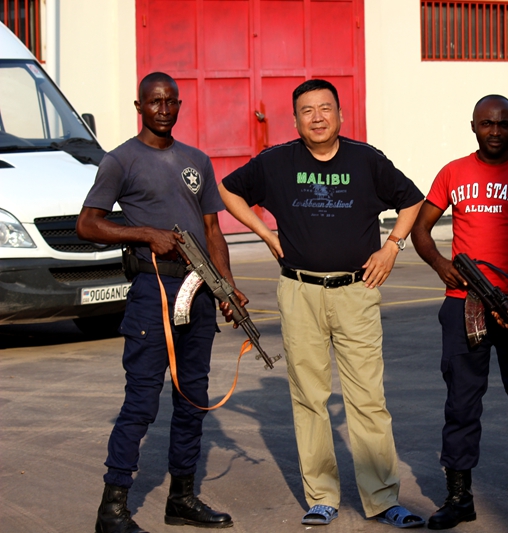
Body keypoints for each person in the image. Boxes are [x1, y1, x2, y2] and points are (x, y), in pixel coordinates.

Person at [218, 79, 425, 528]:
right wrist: (265, 233)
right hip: (300, 293)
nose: (317, 117)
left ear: (340, 115)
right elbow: (228, 190)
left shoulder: (366, 160)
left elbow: (412, 200)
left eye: (325, 108)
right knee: (310, 398)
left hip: (356, 292)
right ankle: (322, 497)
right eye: (307, 111)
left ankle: (382, 499)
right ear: (295, 121)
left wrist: (392, 247)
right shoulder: (276, 162)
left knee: (368, 398)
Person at [77, 72, 243, 533]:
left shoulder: (196, 160)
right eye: (155, 102)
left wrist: (227, 287)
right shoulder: (120, 161)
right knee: (141, 402)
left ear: (179, 105)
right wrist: (145, 234)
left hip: (199, 291)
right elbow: (87, 224)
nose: (164, 109)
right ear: (140, 107)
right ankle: (112, 509)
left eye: (171, 101)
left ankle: (181, 499)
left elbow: (212, 230)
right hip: (153, 291)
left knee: (193, 400)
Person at [410, 95, 508, 531]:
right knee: (461, 404)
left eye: (503, 124)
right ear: (473, 126)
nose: (495, 131)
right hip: (464, 305)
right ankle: (459, 499)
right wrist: (440, 265)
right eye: (487, 123)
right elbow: (420, 229)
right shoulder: (452, 172)